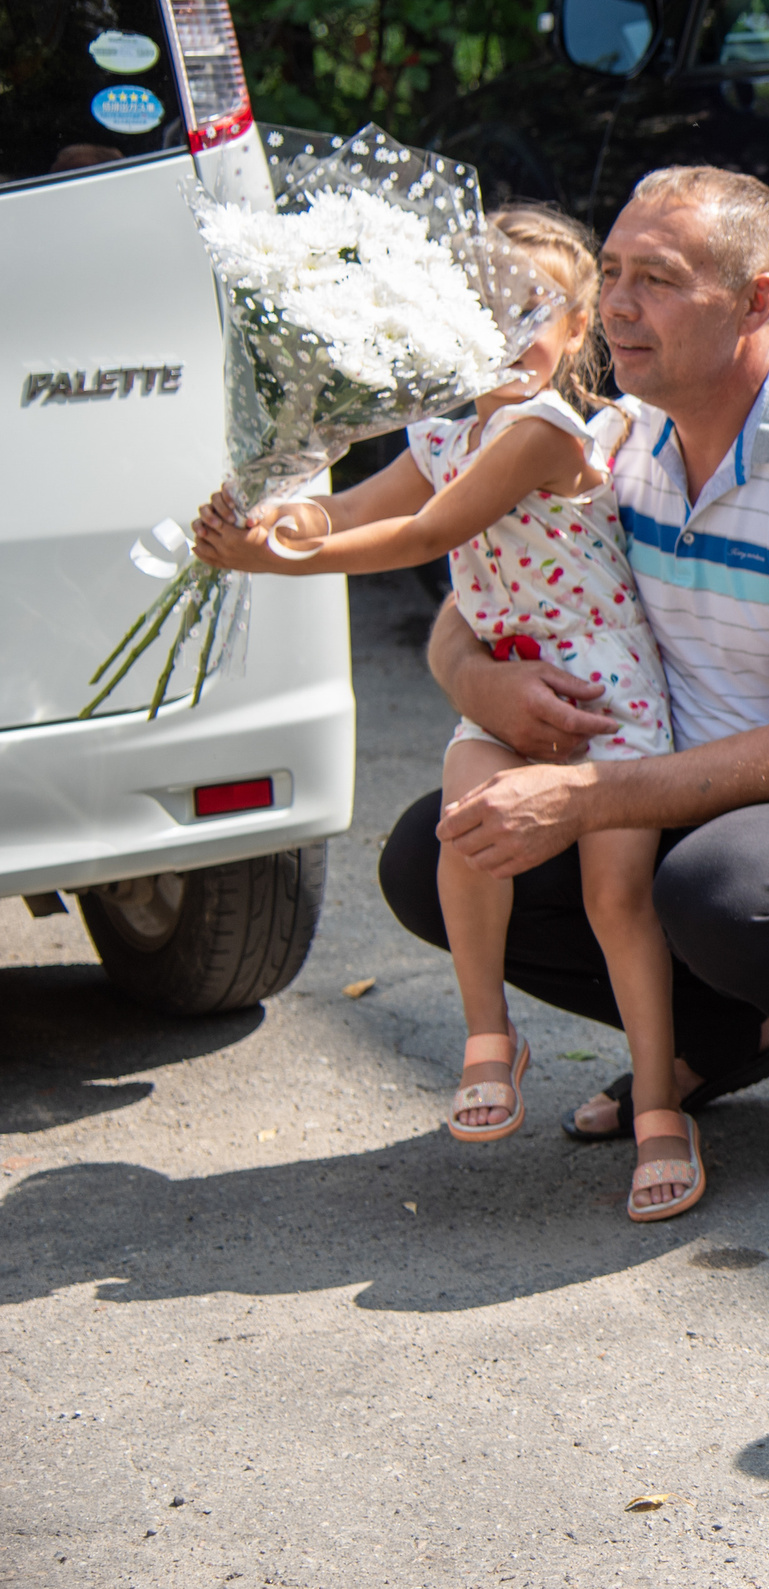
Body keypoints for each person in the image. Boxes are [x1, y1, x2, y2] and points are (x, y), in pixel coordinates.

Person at [376, 166, 769, 1194]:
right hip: (687, 781)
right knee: (435, 853)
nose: (615, 305)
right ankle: (723, 1031)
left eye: (657, 279)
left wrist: (580, 792)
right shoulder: (619, 434)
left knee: (718, 887)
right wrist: (477, 682)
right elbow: (476, 600)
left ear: (757, 299)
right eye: (611, 272)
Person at [194, 206, 703, 1222]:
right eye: (485, 302)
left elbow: (425, 532)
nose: (510, 323)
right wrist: (282, 513)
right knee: (461, 832)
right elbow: (352, 510)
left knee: (616, 899)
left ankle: (660, 1104)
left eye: (536, 307)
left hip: (605, 699)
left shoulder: (542, 430)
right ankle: (489, 1039)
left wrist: (277, 561)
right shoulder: (442, 428)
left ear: (576, 330)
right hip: (505, 685)